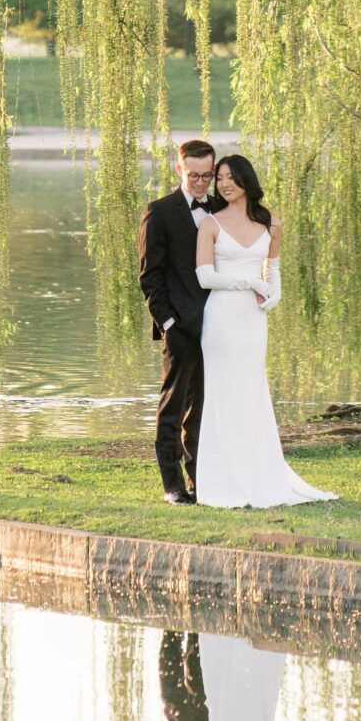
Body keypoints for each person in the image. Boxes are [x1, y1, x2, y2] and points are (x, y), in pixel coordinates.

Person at [193, 154, 334, 510]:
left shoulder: (272, 224)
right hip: (222, 317)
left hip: (253, 320)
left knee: (252, 393)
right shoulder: (210, 225)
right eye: (219, 178)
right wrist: (249, 281)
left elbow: (274, 273)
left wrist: (271, 297)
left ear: (246, 180)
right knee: (222, 395)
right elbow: (205, 277)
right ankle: (222, 480)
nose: (223, 184)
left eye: (230, 178)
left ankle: (258, 475)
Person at [138, 137, 222, 503]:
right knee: (173, 408)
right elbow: (149, 278)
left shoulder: (223, 210)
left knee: (204, 409)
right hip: (179, 328)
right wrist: (168, 324)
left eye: (207, 176)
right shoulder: (159, 212)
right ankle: (172, 485)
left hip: (219, 327)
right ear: (179, 169)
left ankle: (202, 480)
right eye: (194, 176)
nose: (201, 183)